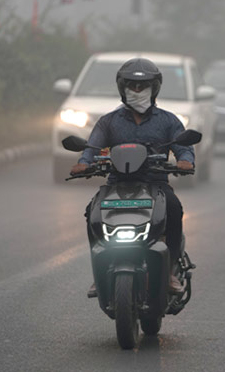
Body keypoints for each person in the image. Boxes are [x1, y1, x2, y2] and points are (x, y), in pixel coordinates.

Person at [71, 57, 194, 296]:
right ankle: (100, 270)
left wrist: (185, 160)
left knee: (174, 208)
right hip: (117, 184)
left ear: (154, 88)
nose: (137, 91)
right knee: (92, 212)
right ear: (122, 88)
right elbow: (91, 147)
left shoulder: (169, 121)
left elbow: (183, 147)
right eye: (132, 86)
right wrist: (83, 164)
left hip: (156, 185)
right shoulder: (109, 122)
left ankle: (168, 271)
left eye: (143, 86)